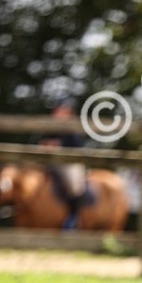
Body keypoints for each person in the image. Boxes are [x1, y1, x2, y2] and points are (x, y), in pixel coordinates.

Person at [40, 96, 87, 229]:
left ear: (69, 112)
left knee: (74, 186)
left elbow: (76, 148)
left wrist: (57, 145)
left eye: (63, 110)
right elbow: (44, 143)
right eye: (58, 109)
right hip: (49, 162)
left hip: (69, 163)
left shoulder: (73, 128)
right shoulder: (50, 126)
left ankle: (73, 217)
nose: (58, 112)